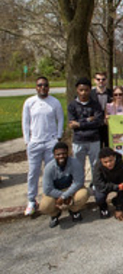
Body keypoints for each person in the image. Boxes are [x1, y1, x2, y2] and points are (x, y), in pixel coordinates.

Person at [21, 76, 64, 216]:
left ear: (49, 87)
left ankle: (49, 196)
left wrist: (58, 137)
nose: (43, 88)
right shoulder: (30, 102)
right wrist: (27, 140)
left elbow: (60, 119)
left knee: (50, 171)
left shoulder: (54, 102)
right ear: (36, 87)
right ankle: (31, 200)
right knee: (33, 172)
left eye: (45, 85)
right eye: (40, 85)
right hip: (35, 143)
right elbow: (25, 122)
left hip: (50, 142)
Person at [39, 142, 89, 228]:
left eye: (63, 153)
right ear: (54, 155)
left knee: (83, 194)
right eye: (58, 154)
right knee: (44, 206)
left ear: (67, 153)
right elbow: (47, 189)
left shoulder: (75, 163)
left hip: (70, 189)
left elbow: (79, 182)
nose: (61, 156)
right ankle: (55, 214)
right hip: (54, 193)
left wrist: (65, 196)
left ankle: (74, 211)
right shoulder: (49, 168)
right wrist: (62, 196)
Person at [68, 77, 104, 181]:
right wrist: (89, 119)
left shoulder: (95, 105)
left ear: (90, 90)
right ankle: (79, 185)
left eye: (86, 90)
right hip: (79, 140)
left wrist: (79, 123)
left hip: (94, 140)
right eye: (81, 90)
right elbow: (72, 124)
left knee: (95, 165)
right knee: (78, 166)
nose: (83, 93)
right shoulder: (72, 105)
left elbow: (98, 122)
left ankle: (95, 185)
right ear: (77, 90)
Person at [93, 147, 123, 221]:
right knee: (99, 197)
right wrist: (116, 187)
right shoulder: (97, 167)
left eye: (110, 161)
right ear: (101, 161)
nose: (109, 164)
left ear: (114, 157)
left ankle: (116, 202)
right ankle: (103, 207)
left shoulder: (122, 164)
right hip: (105, 185)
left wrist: (119, 208)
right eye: (105, 162)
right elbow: (99, 184)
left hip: (118, 184)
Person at [90, 72, 112, 147]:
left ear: (106, 80)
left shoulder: (112, 94)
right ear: (94, 80)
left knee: (108, 146)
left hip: (109, 125)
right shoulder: (90, 94)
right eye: (98, 79)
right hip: (95, 126)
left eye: (103, 79)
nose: (101, 81)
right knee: (97, 148)